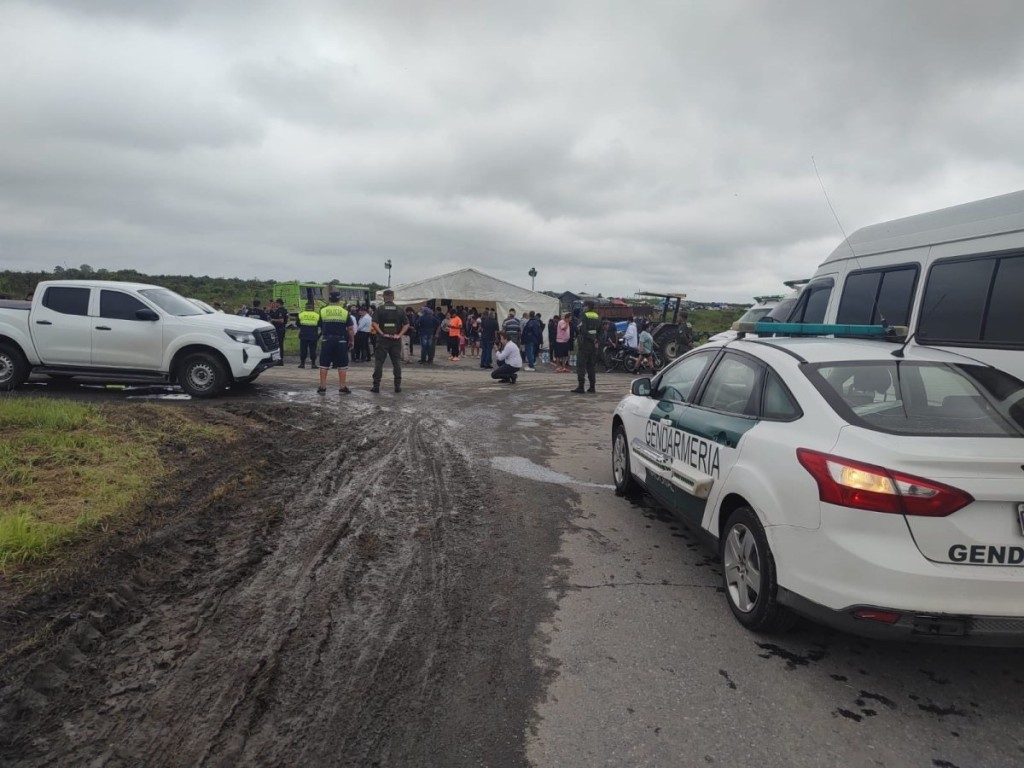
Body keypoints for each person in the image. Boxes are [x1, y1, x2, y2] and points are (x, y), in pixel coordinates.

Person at [317, 292, 355, 394]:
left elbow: (319, 325)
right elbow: (350, 329)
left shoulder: (323, 311)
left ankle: (322, 387)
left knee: (324, 364)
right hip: (341, 340)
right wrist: (352, 341)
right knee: (342, 365)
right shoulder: (344, 312)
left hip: (326, 340)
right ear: (339, 300)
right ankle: (342, 387)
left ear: (329, 299)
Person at [372, 289, 409, 393]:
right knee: (396, 363)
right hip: (395, 340)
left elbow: (374, 323)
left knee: (379, 363)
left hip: (382, 339)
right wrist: (399, 335)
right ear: (393, 297)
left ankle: (376, 386)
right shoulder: (400, 310)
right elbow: (406, 324)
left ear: (384, 297)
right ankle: (397, 386)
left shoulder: (380, 309)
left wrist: (381, 333)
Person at [571, 300, 601, 394]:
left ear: (587, 307)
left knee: (581, 365)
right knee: (591, 366)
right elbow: (600, 331)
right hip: (594, 345)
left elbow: (582, 330)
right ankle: (592, 387)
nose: (583, 308)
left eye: (584, 306)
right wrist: (596, 340)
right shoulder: (597, 316)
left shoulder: (584, 316)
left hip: (585, 344)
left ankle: (581, 387)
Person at [297, 301, 321, 368]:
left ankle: (302, 364)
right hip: (313, 335)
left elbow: (297, 324)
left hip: (303, 335)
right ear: (313, 307)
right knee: (313, 350)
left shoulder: (301, 314)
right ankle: (313, 364)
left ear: (305, 307)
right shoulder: (317, 315)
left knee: (303, 350)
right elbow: (319, 324)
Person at [270, 299, 288, 365]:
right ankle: (279, 359)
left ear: (278, 303)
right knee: (279, 344)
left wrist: (272, 320)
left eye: (276, 303)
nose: (275, 304)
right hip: (281, 329)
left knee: (279, 344)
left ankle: (280, 360)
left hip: (279, 329)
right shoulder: (284, 310)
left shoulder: (281, 310)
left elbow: (281, 320)